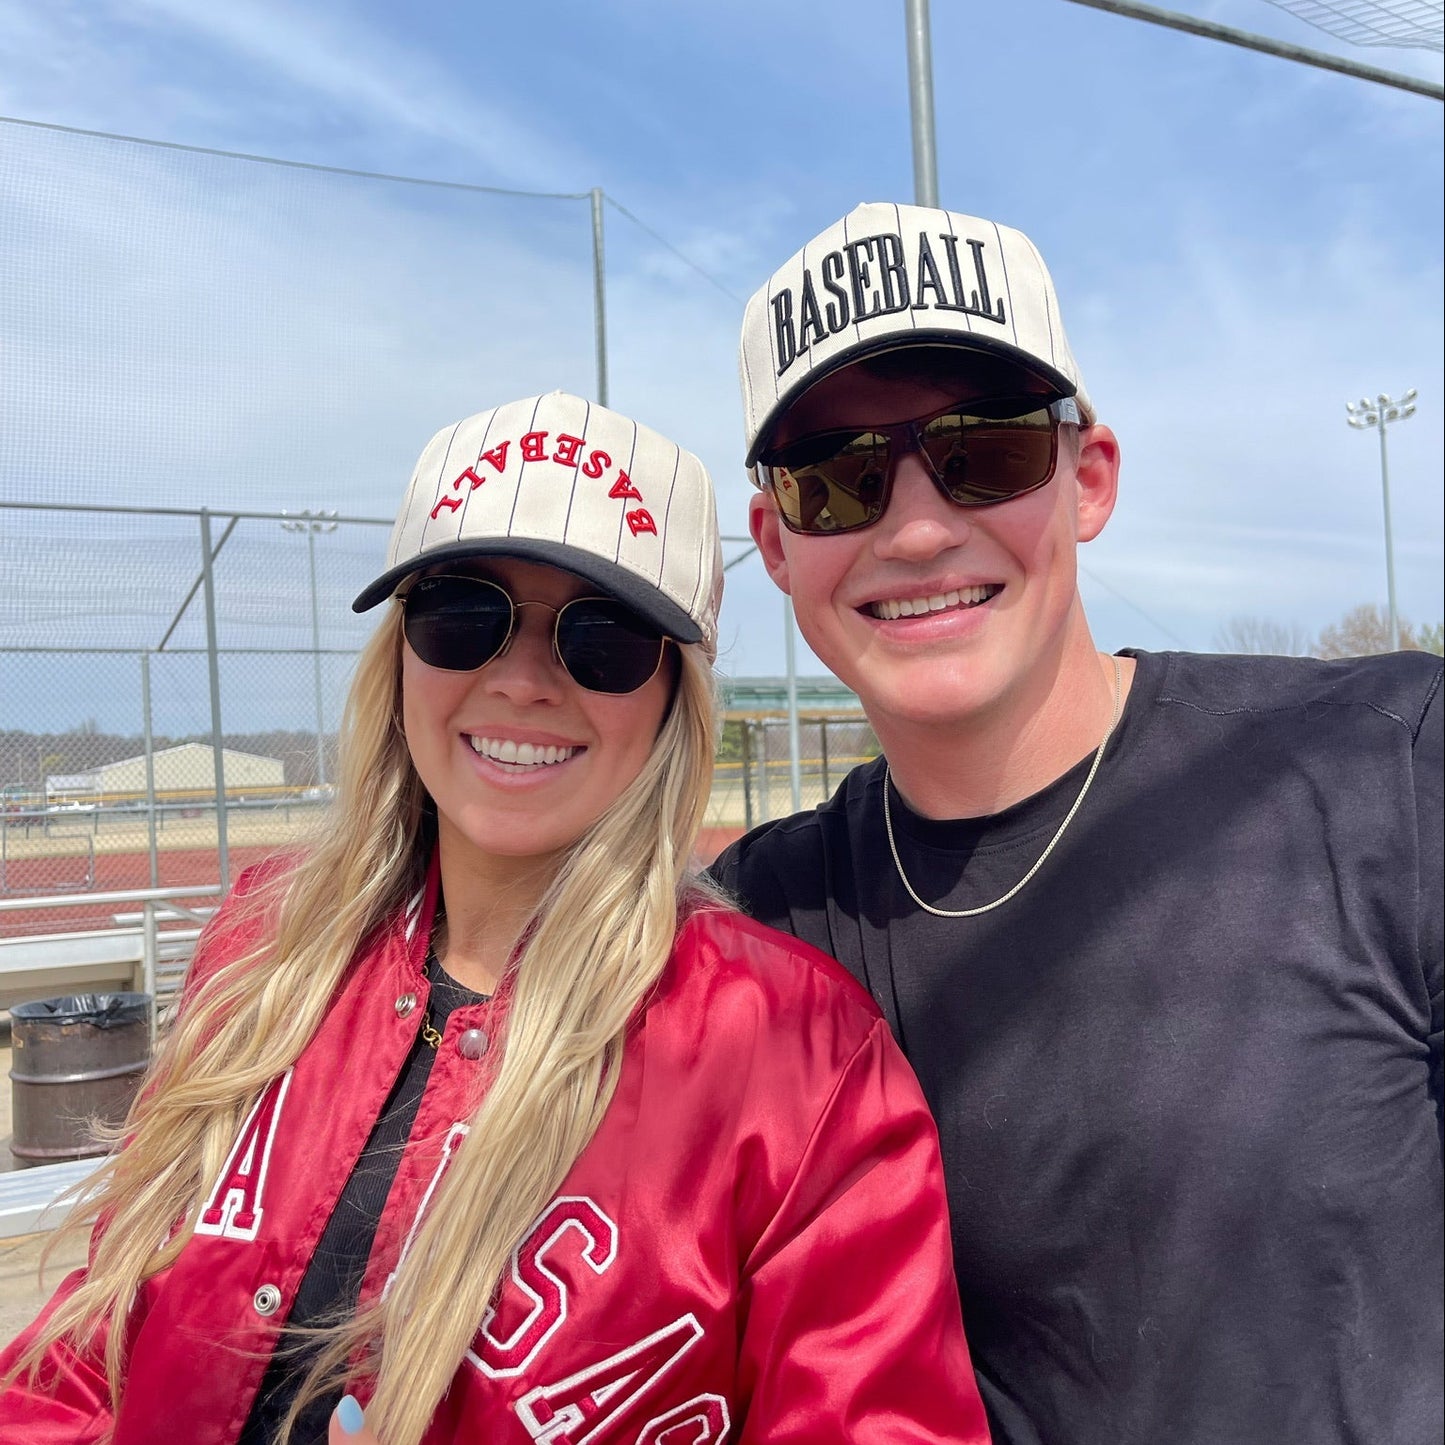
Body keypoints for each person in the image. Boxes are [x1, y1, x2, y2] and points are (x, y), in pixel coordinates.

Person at [0, 391, 992, 1445]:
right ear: (400, 655)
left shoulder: (798, 1060)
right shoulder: (262, 945)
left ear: (669, 700)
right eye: (461, 611)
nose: (520, 680)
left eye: (599, 636)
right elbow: (84, 1357)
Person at [712, 201, 1444, 1445]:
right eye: (835, 477)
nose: (916, 526)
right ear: (777, 547)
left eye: (983, 452)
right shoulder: (752, 928)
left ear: (1087, 479)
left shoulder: (1387, 763)